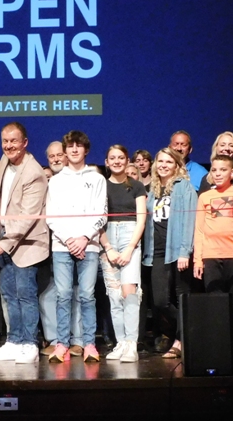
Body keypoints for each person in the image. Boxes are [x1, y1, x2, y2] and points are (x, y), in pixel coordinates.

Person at [0, 122, 50, 364]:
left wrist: (2, 245)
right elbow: (3, 180)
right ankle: (14, 342)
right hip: (5, 237)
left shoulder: (34, 173)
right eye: (5, 141)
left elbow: (27, 219)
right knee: (9, 295)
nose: (9, 146)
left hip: (25, 244)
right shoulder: (5, 161)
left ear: (25, 143)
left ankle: (29, 344)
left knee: (25, 295)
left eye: (14, 141)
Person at [45, 130, 107, 363]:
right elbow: (51, 216)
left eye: (78, 146)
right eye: (69, 146)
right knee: (62, 295)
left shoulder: (97, 179)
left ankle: (89, 343)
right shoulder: (56, 180)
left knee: (87, 295)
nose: (73, 150)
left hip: (89, 245)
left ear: (85, 150)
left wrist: (84, 238)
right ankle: (62, 344)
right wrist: (69, 239)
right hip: (62, 246)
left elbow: (102, 213)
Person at [193, 154, 233, 360]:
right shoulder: (205, 197)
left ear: (232, 172)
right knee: (215, 303)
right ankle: (218, 345)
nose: (218, 173)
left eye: (223, 170)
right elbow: (199, 230)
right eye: (214, 170)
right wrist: (198, 259)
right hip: (211, 255)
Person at [142, 148, 198, 359]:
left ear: (177, 165)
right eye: (161, 161)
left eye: (169, 162)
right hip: (157, 251)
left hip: (177, 249)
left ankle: (180, 341)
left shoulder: (184, 187)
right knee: (160, 302)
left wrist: (185, 251)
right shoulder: (153, 190)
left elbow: (189, 221)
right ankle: (192, 329)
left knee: (181, 296)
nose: (164, 165)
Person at [97, 145, 146, 363]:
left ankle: (131, 344)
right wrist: (108, 247)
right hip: (107, 238)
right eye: (112, 158)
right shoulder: (101, 186)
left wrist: (130, 248)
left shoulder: (136, 186)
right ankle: (121, 343)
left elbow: (141, 219)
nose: (117, 161)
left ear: (127, 161)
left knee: (129, 292)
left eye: (121, 158)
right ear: (106, 162)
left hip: (130, 238)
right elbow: (97, 220)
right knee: (114, 295)